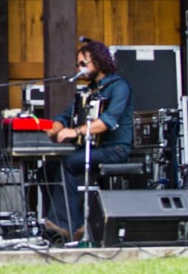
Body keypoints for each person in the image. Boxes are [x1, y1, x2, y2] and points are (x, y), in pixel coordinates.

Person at [44, 40, 133, 241]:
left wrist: (75, 132)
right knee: (48, 167)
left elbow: (107, 121)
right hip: (89, 150)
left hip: (114, 149)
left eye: (84, 64)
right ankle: (68, 225)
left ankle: (64, 224)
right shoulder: (88, 91)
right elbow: (64, 117)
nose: (80, 69)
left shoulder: (119, 87)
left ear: (99, 63)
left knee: (68, 162)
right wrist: (52, 129)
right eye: (78, 65)